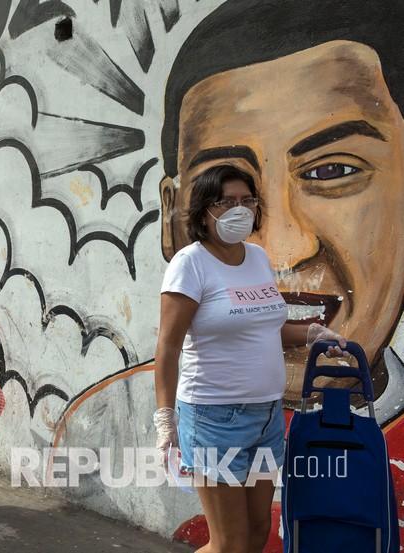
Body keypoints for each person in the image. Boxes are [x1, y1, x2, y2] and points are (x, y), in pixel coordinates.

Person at [158, 0, 404, 409]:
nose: (281, 250)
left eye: (332, 172)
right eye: (218, 193)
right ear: (170, 220)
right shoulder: (106, 423)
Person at [154, 165, 345, 553]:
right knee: (229, 545)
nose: (238, 209)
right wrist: (165, 418)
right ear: (204, 211)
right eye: (226, 202)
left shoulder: (256, 258)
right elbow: (168, 347)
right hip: (213, 419)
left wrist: (311, 333)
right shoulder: (190, 265)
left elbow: (263, 328)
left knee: (258, 534)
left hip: (267, 417)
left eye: (247, 201)